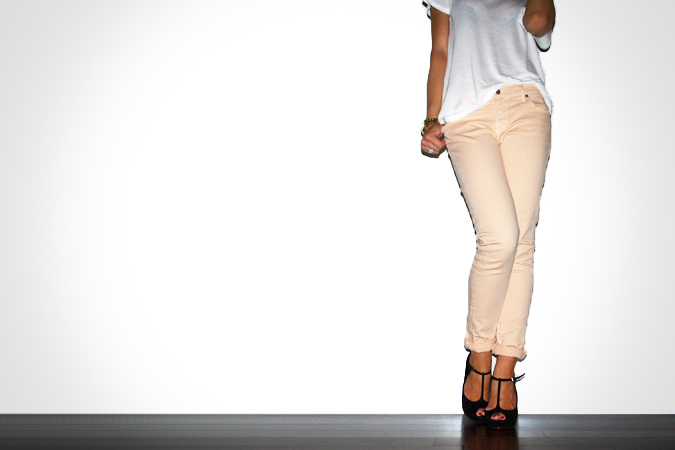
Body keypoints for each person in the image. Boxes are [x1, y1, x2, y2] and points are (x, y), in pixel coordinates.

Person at [420, 0, 556, 429]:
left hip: (525, 102)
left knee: (522, 241)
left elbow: (539, 22)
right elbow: (440, 49)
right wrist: (430, 118)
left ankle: (505, 367)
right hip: (467, 114)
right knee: (499, 237)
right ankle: (480, 353)